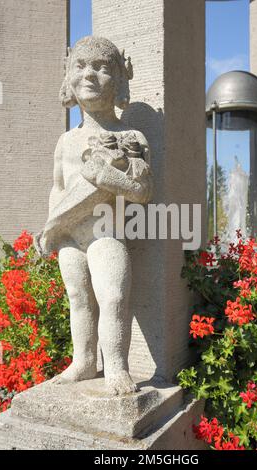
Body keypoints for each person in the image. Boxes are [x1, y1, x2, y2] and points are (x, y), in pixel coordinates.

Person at [36, 36, 153, 395]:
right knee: (78, 298)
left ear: (118, 80)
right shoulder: (66, 142)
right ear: (69, 77)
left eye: (102, 67)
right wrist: (51, 227)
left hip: (108, 229)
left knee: (113, 297)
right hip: (71, 233)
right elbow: (58, 188)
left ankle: (116, 366)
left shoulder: (131, 137)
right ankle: (84, 362)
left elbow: (143, 192)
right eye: (81, 66)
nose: (90, 75)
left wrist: (107, 177)